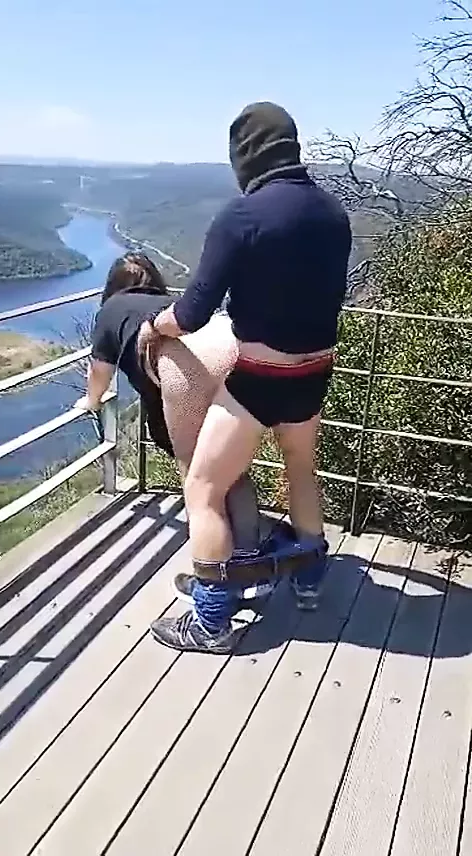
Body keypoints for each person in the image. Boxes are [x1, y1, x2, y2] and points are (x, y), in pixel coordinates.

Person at [140, 102, 352, 654]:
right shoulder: (333, 212)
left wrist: (153, 326)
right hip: (314, 372)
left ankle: (211, 619)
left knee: (202, 488)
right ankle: (309, 579)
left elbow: (192, 313)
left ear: (245, 155)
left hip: (260, 379)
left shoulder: (242, 215)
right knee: (300, 470)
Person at [75, 251, 278, 594]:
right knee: (231, 469)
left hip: (187, 365)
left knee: (199, 483)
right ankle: (249, 563)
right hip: (230, 343)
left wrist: (92, 400)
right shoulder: (171, 305)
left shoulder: (110, 311)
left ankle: (213, 583)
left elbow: (100, 372)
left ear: (113, 285)